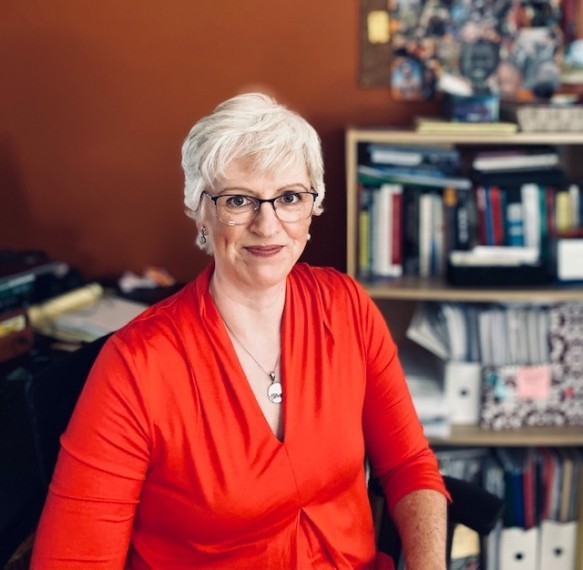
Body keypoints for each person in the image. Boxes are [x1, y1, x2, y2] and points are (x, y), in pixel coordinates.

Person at [31, 92, 449, 569]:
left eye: (290, 197)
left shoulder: (346, 307)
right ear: (201, 213)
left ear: (312, 210)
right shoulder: (137, 366)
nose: (267, 224)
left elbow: (409, 465)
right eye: (239, 200)